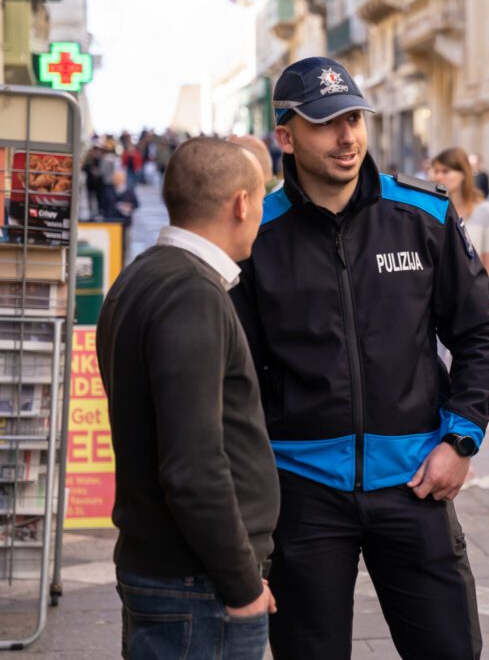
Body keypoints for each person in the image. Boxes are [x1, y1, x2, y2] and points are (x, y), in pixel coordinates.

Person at [230, 57, 489, 659]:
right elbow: (237, 378)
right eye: (326, 123)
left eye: (355, 118)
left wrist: (461, 441)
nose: (347, 136)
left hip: (416, 483)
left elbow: (482, 332)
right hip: (302, 491)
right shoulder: (256, 236)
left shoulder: (424, 217)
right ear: (286, 136)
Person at [96, 137, 279, 660]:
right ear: (241, 203)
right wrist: (242, 583)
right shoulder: (190, 293)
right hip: (196, 584)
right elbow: (194, 466)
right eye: (263, 198)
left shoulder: (141, 276)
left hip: (174, 573)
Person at [432, 147, 489, 305]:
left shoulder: (488, 212)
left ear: (463, 173)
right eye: (435, 171)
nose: (438, 176)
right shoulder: (427, 212)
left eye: (445, 171)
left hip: (473, 304)